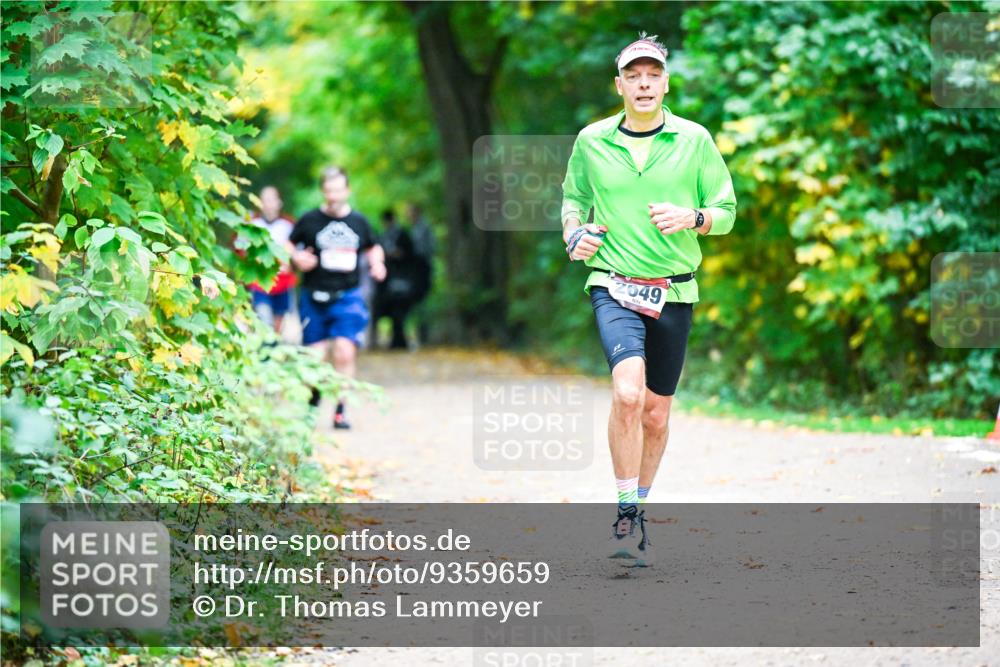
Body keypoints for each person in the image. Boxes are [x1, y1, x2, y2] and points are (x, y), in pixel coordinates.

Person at [561, 34, 736, 565]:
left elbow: (725, 211)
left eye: (652, 75)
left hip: (675, 288)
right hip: (613, 284)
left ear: (664, 83)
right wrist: (575, 235)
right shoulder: (592, 141)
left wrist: (693, 218)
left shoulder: (694, 140)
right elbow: (572, 200)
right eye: (633, 76)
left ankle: (640, 507)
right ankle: (624, 514)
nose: (643, 84)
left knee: (657, 414)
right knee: (628, 394)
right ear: (619, 85)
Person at [289, 167, 386, 429]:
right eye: (329, 190)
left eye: (338, 190)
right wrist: (295, 258)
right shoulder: (309, 220)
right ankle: (313, 402)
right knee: (314, 357)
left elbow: (373, 246)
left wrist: (378, 264)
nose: (333, 196)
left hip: (348, 296)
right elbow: (289, 244)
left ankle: (341, 411)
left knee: (344, 352)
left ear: (347, 191)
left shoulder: (359, 222)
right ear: (323, 191)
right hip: (314, 295)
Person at [248, 186, 296, 334]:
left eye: (271, 199)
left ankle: (273, 350)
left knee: (278, 323)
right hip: (259, 282)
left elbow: (297, 252)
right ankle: (264, 350)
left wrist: (291, 264)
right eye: (264, 200)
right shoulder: (251, 224)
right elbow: (241, 251)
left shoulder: (289, 224)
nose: (268, 204)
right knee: (264, 318)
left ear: (279, 202)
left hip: (283, 281)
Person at [374, 209, 417, 350]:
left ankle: (400, 341)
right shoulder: (383, 236)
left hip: (402, 280)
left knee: (400, 312)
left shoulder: (402, 235)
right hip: (387, 281)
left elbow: (410, 255)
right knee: (392, 311)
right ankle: (397, 340)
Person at [406, 203, 435, 344]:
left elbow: (429, 249)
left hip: (423, 269)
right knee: (416, 303)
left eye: (409, 212)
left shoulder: (424, 228)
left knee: (423, 302)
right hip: (415, 271)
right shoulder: (414, 229)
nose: (407, 215)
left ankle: (425, 337)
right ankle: (421, 335)